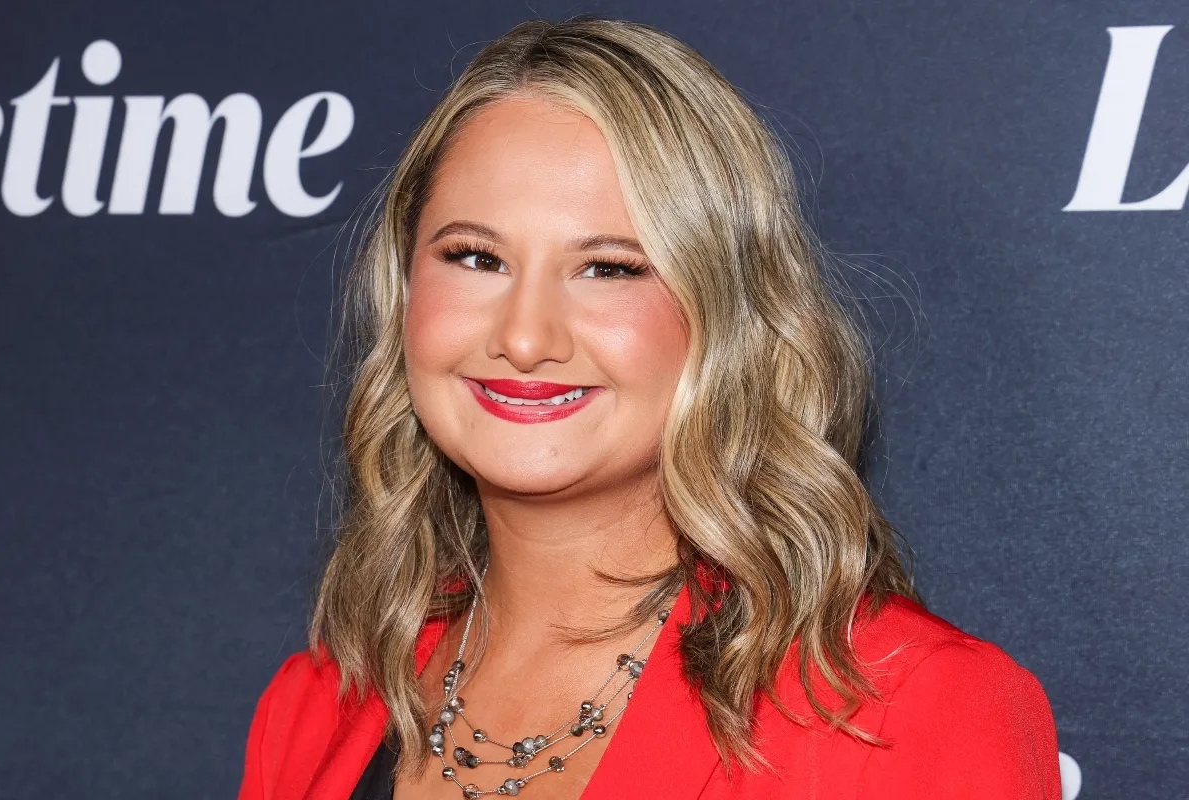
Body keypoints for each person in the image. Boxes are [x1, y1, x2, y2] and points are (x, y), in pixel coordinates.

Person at [236, 16, 1061, 800]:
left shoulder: (911, 705)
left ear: (725, 315)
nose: (524, 337)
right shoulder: (314, 708)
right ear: (404, 289)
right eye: (477, 258)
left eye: (609, 269)